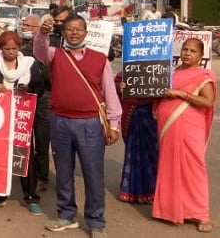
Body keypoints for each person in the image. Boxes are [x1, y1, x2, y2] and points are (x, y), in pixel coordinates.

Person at [34, 15, 121, 238]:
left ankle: (96, 221)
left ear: (86, 33)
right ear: (63, 33)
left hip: (90, 123)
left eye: (78, 29)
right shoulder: (54, 55)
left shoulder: (100, 59)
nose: (74, 33)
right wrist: (43, 33)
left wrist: (114, 124)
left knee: (93, 173)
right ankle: (67, 214)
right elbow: (39, 50)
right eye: (70, 29)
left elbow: (110, 93)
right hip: (60, 121)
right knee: (63, 172)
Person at [152, 38, 216, 232]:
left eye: (193, 51)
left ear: (200, 55)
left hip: (190, 127)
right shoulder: (174, 72)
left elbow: (208, 102)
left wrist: (181, 94)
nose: (188, 53)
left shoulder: (203, 75)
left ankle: (201, 214)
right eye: (185, 49)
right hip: (168, 127)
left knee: (194, 168)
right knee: (170, 166)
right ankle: (172, 209)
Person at [0, 31, 48, 215]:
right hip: (0, 120)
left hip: (22, 121)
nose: (10, 52)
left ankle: (31, 197)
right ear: (0, 49)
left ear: (19, 48)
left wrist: (28, 89)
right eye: (6, 49)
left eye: (14, 48)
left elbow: (40, 89)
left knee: (25, 157)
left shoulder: (30, 65)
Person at [19, 14, 52, 193]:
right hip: (24, 96)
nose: (25, 27)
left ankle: (42, 177)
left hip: (44, 97)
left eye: (29, 26)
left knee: (41, 140)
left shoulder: (44, 46)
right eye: (23, 24)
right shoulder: (18, 45)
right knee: (23, 139)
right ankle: (24, 173)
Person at [117, 72, 157, 204]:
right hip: (132, 113)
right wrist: (118, 86)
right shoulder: (127, 70)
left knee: (155, 154)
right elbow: (111, 86)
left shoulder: (161, 67)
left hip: (153, 115)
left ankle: (154, 191)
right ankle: (133, 191)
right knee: (134, 153)